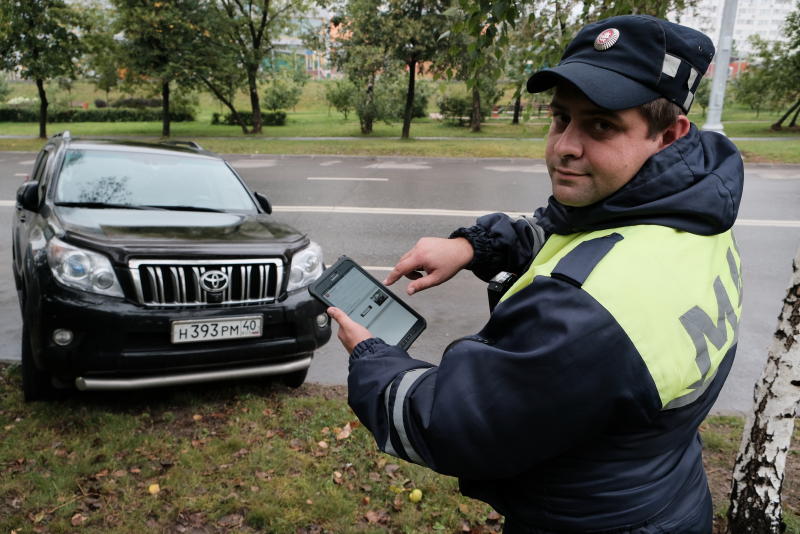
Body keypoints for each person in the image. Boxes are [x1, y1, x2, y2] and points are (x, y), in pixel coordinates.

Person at [327, 14, 743, 534]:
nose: (565, 146)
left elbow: (451, 426)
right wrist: (471, 246)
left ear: (667, 134)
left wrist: (372, 357)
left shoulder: (585, 314)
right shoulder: (692, 214)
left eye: (601, 125)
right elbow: (569, 232)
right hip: (663, 493)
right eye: (560, 118)